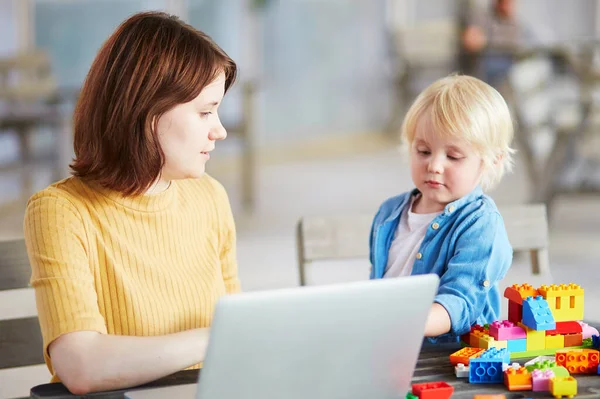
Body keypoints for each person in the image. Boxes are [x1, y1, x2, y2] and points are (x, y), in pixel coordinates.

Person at [23, 11, 240, 394]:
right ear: (146, 111)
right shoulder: (60, 212)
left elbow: (241, 341)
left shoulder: (211, 197)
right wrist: (217, 337)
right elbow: (81, 365)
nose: (219, 130)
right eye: (205, 111)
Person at [369, 74, 515, 340]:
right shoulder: (388, 214)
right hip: (390, 348)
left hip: (449, 361)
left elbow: (459, 301)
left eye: (453, 156)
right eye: (423, 151)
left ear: (492, 160)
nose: (434, 165)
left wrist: (401, 324)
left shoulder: (481, 224)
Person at [461, 0, 531, 87]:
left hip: (508, 64)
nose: (508, 7)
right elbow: (470, 41)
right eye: (505, 3)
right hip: (486, 62)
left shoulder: (515, 23)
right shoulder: (482, 16)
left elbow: (519, 46)